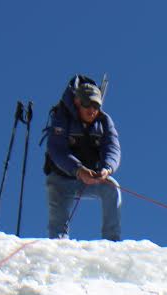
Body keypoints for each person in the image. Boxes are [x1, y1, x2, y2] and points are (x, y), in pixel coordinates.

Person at [44, 75, 122, 240]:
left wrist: (106, 169)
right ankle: (58, 252)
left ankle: (112, 242)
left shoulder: (104, 121)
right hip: (60, 181)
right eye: (88, 104)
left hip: (90, 180)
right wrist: (78, 170)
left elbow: (112, 148)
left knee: (111, 188)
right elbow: (57, 150)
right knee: (58, 228)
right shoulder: (61, 117)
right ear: (78, 102)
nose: (92, 109)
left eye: (96, 105)